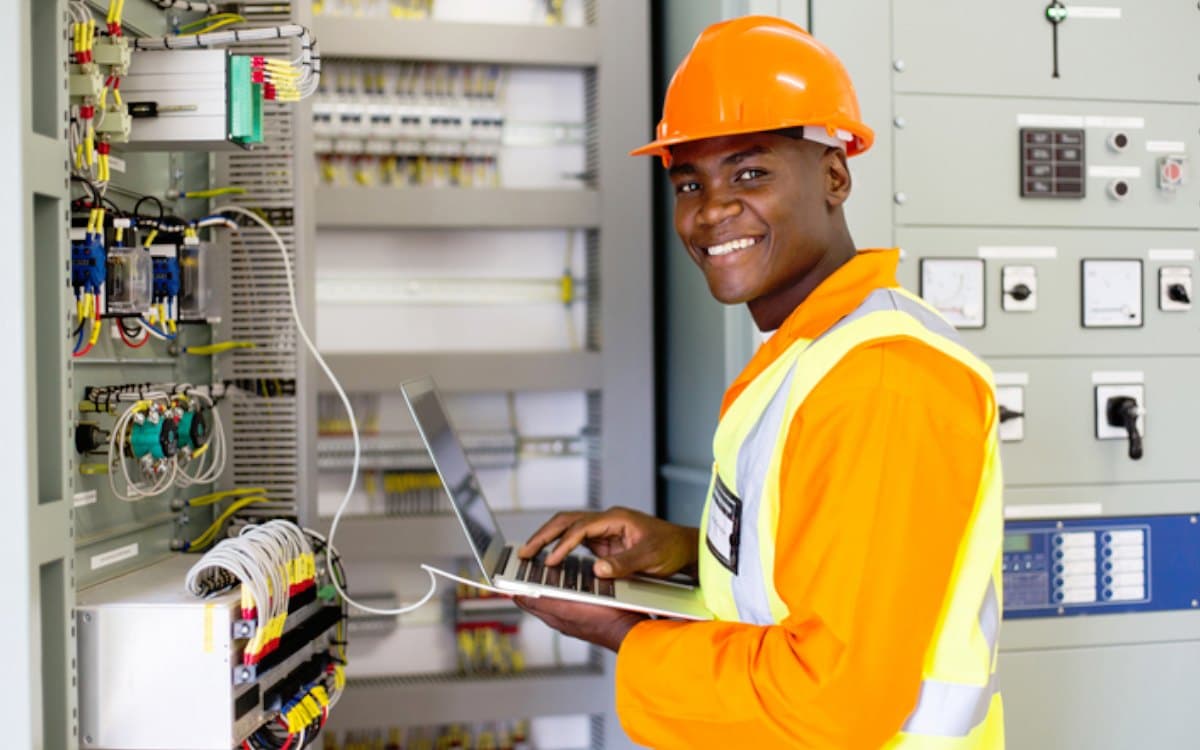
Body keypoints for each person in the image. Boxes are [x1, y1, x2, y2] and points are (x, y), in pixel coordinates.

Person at [515, 15, 1004, 749]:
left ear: (834, 176)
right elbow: (816, 571)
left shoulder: (880, 381)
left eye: (750, 172)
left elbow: (830, 701)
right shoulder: (815, 352)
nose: (711, 209)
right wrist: (685, 551)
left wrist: (624, 632)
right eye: (689, 181)